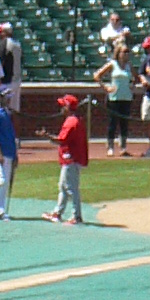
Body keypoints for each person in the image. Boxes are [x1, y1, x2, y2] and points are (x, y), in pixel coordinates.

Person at [43, 95, 89, 225]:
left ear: (68, 107)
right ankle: (58, 213)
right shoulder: (75, 120)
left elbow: (61, 140)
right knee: (63, 187)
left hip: (71, 160)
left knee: (71, 188)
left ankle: (77, 216)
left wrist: (47, 136)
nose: (61, 108)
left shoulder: (71, 122)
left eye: (63, 105)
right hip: (71, 158)